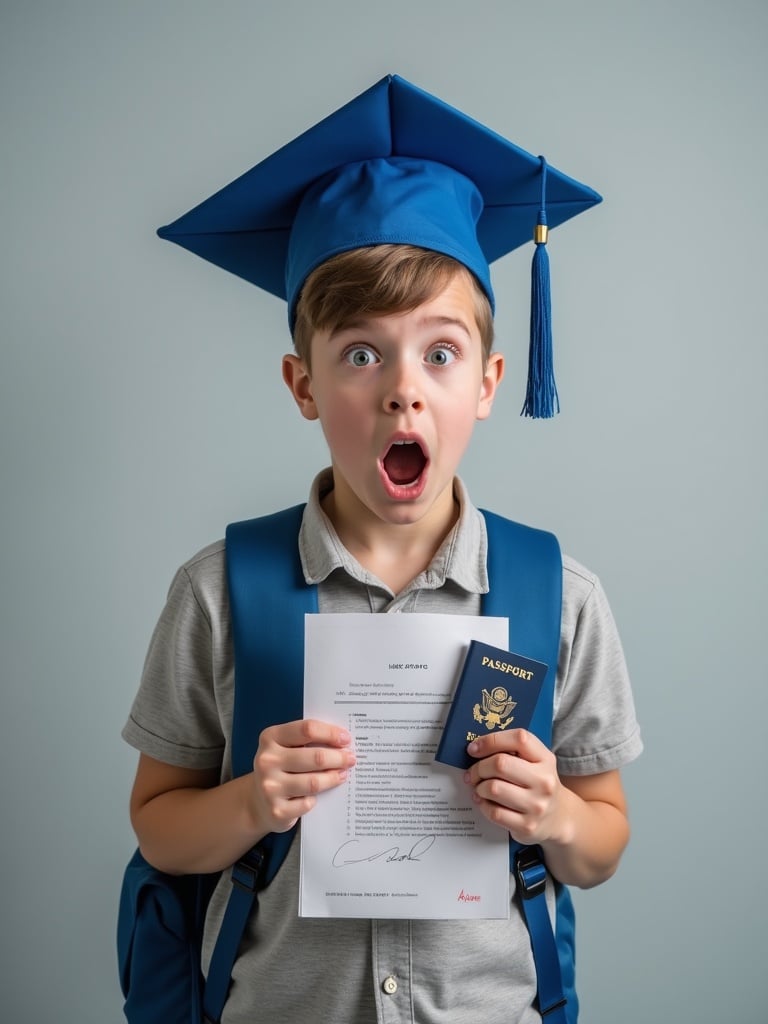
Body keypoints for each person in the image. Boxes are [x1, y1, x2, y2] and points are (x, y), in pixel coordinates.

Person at [122, 74, 642, 1023]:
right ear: (303, 384)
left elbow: (601, 844)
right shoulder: (217, 593)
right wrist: (251, 803)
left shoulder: (557, 595)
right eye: (361, 354)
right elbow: (159, 826)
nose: (404, 391)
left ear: (487, 383)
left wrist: (555, 814)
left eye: (439, 354)